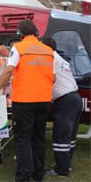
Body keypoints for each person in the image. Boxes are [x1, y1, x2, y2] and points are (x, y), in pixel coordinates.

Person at [0, 20, 55, 182]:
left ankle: (23, 176)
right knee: (38, 138)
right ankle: (38, 174)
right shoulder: (48, 51)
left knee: (23, 139)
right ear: (36, 33)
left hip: (24, 101)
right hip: (44, 100)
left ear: (20, 34)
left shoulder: (19, 48)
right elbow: (51, 77)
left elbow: (8, 70)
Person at [42, 37, 82, 177]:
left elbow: (50, 78)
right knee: (69, 135)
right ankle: (66, 164)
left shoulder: (51, 57)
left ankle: (61, 170)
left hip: (65, 100)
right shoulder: (61, 58)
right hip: (74, 97)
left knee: (61, 135)